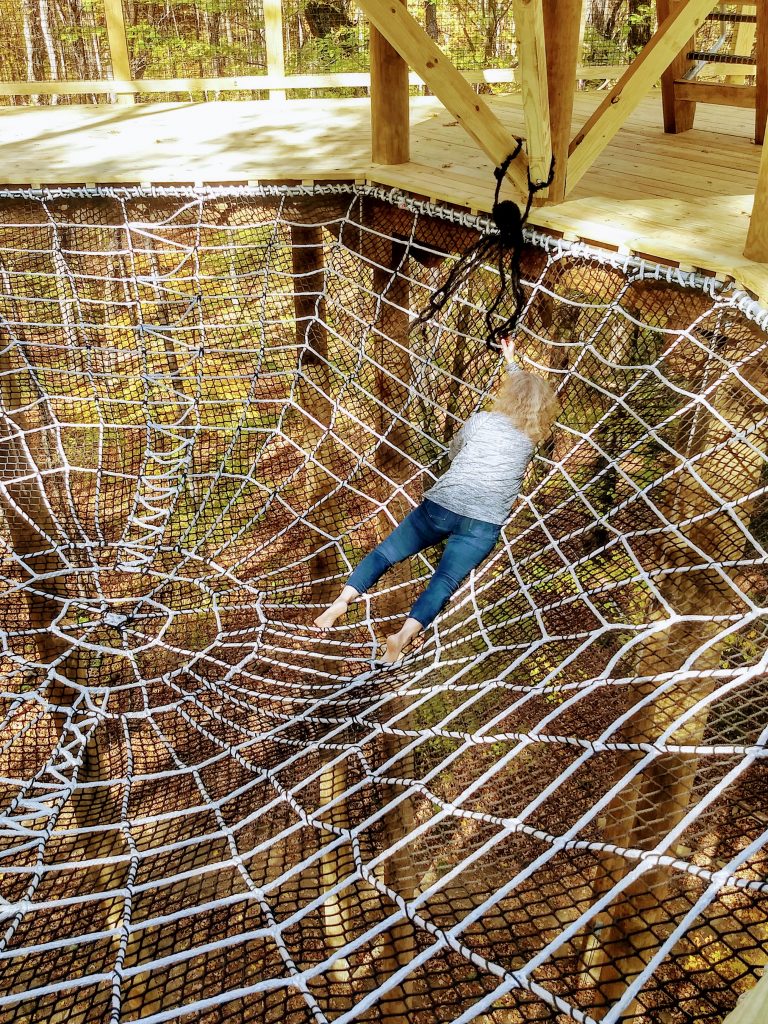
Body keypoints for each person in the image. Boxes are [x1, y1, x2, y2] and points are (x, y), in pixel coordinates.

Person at [314, 339, 560, 664]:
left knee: (385, 553)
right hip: (481, 525)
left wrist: (510, 363)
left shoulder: (481, 421)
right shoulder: (528, 443)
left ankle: (342, 602)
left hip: (441, 507)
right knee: (443, 582)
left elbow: (456, 450)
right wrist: (512, 363)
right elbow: (527, 398)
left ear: (508, 397)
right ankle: (400, 639)